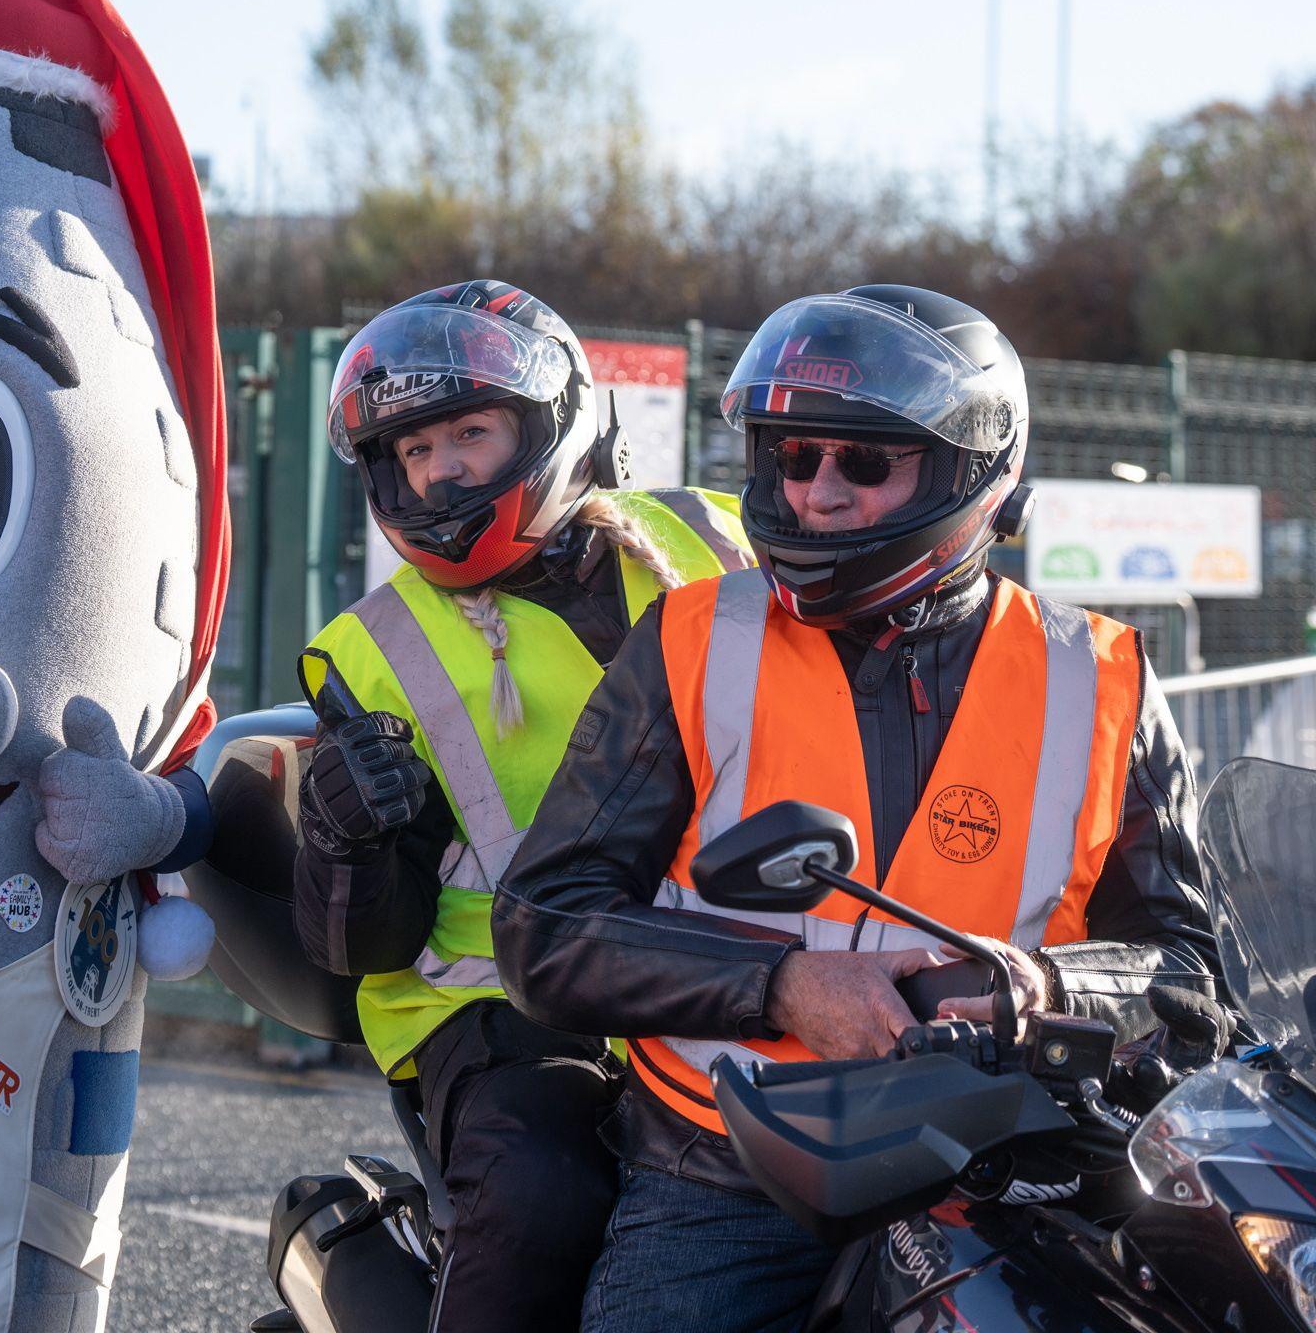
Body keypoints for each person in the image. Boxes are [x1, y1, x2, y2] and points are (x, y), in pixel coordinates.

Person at [491, 284, 1222, 1333]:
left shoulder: (1101, 674)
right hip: (731, 1175)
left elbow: (1187, 972)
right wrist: (781, 984)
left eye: (865, 462)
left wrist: (1045, 984)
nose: (818, 496)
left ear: (975, 472)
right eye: (794, 459)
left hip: (1012, 1165)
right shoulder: (693, 639)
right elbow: (544, 924)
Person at [293, 280, 754, 1332]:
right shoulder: (370, 650)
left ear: (553, 424)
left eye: (469, 431)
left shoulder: (713, 540)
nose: (441, 467)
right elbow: (361, 942)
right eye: (413, 450)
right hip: (508, 1012)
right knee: (547, 1197)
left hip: (752, 958)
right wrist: (342, 829)